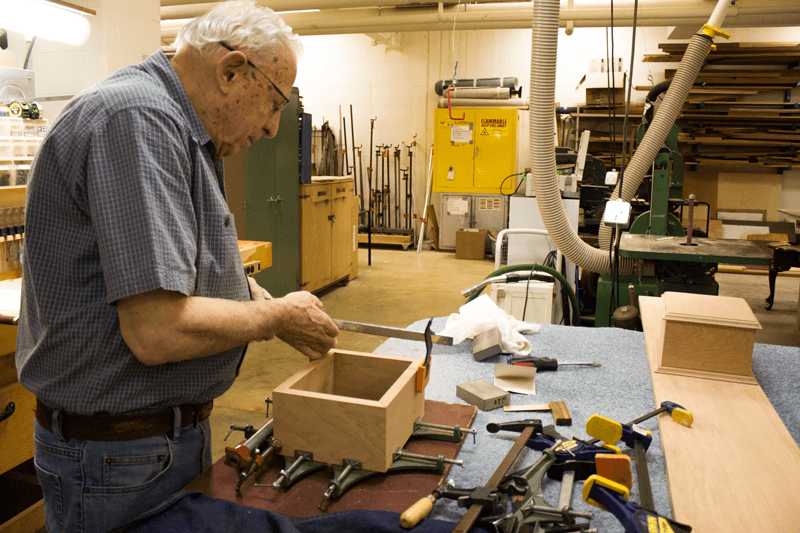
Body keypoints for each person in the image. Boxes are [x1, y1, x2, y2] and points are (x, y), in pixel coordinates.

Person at [15, 2, 339, 532]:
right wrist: (276, 317)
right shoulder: (138, 120)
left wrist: (243, 289)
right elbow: (157, 331)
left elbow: (170, 263)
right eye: (275, 102)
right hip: (118, 459)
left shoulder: (171, 124)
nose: (274, 127)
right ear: (232, 71)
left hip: (149, 444)